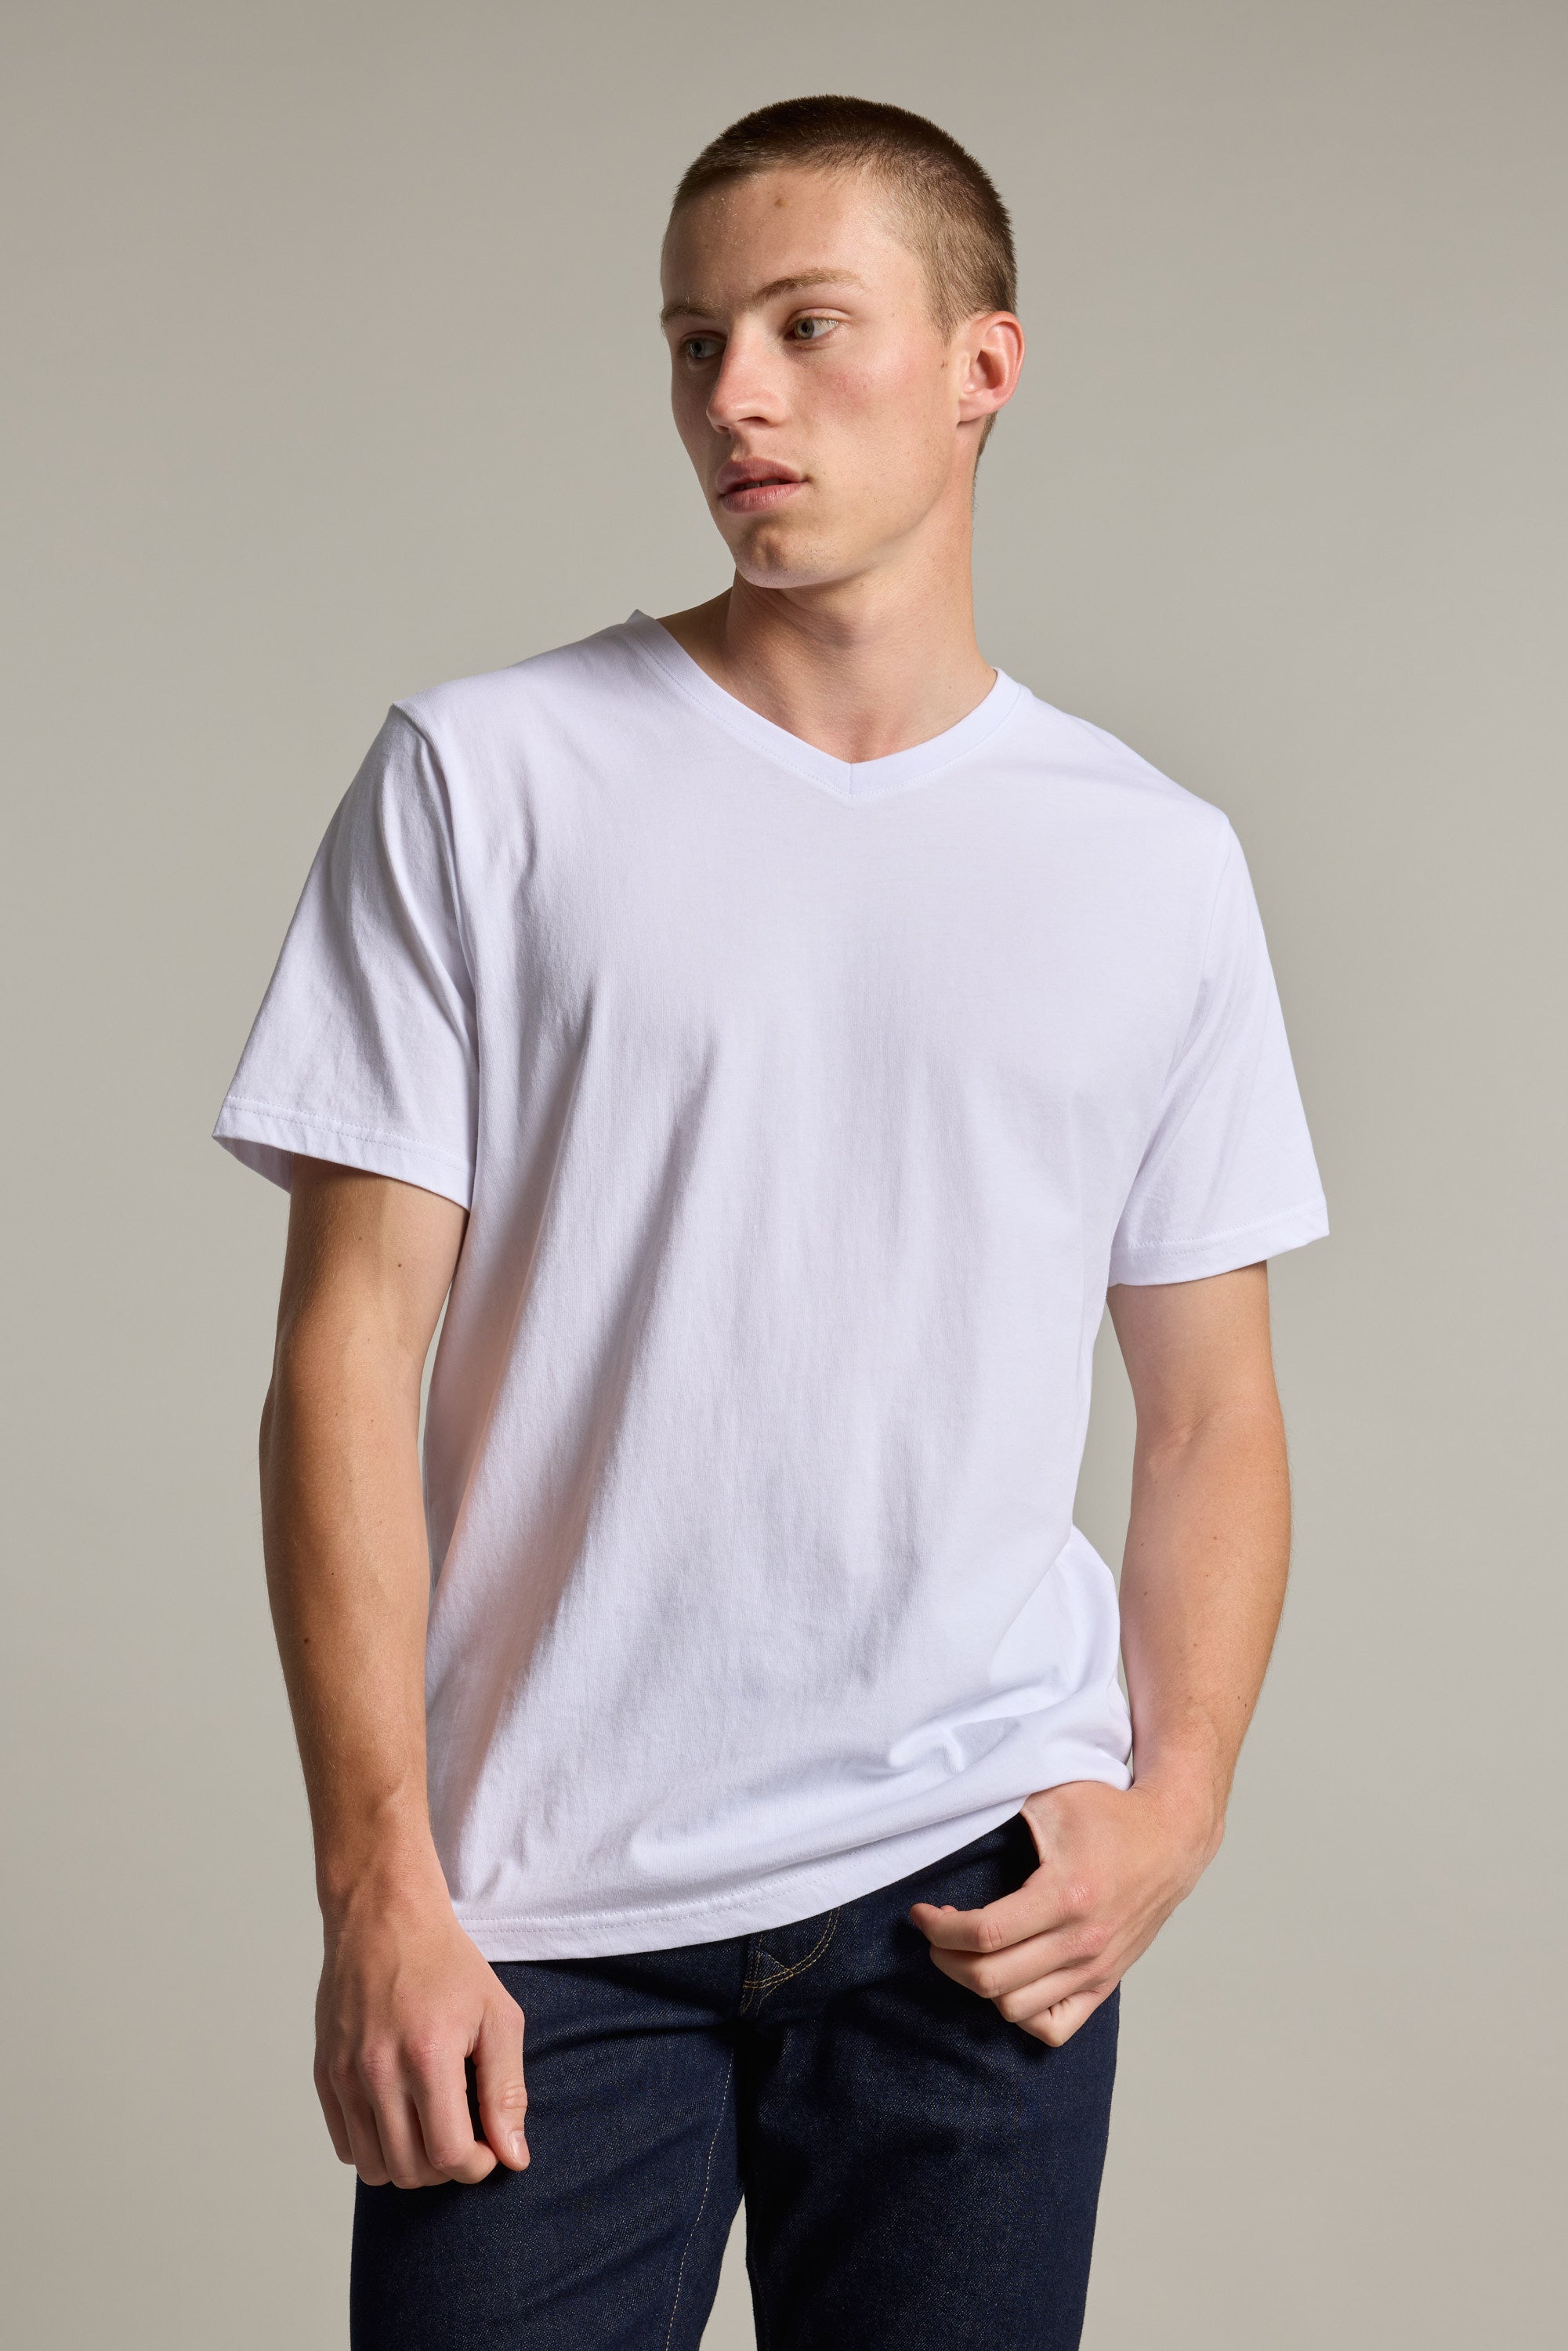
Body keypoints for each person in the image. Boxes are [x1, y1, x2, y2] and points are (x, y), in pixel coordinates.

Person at [215, 94, 1327, 2351]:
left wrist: (1170, 1806)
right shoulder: (485, 777)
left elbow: (1210, 1410)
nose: (735, 396)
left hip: (965, 1898)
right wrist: (379, 1890)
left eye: (812, 329)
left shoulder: (1150, 861)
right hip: (537, 1911)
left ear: (978, 367)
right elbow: (346, 1354)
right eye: (695, 339)